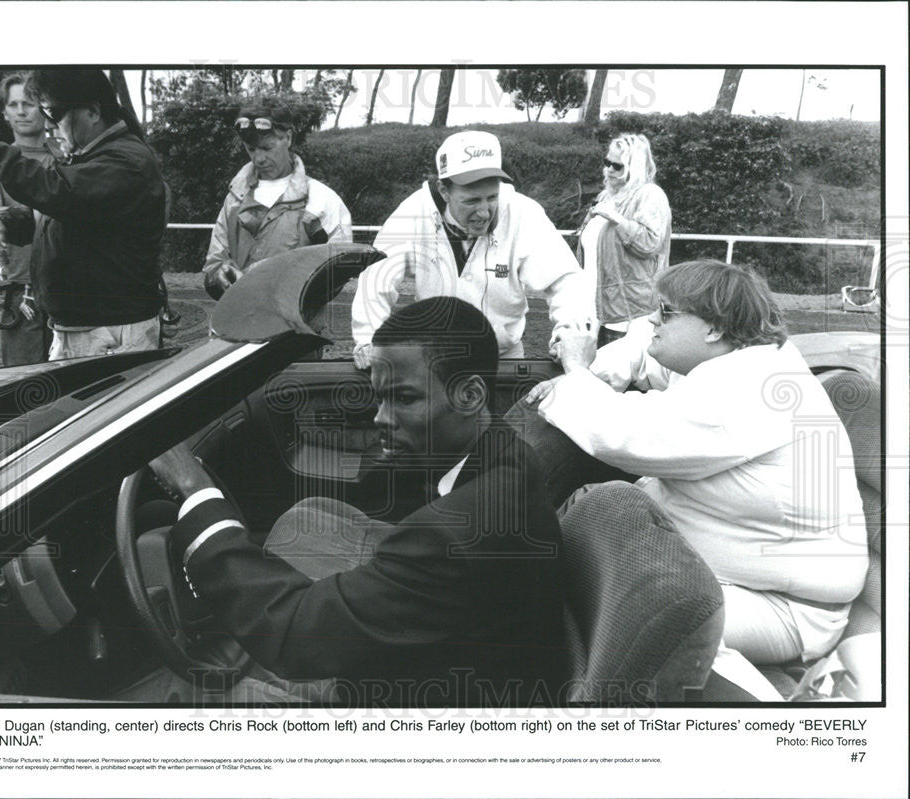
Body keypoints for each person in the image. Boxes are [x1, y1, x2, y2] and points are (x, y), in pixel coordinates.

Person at [149, 297, 566, 706]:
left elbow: (294, 635)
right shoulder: (504, 454)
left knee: (176, 694)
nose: (381, 417)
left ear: (470, 396)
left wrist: (194, 489)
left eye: (404, 398)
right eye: (380, 397)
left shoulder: (455, 532)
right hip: (441, 667)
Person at [524, 259, 868, 698]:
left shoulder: (750, 391)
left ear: (713, 329)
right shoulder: (743, 359)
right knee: (591, 574)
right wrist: (599, 370)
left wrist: (576, 369)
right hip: (745, 580)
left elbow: (624, 434)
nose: (651, 320)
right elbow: (647, 352)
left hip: (784, 609)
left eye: (665, 312)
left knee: (657, 625)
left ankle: (776, 725)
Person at [0, 69, 167, 360]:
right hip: (89, 330)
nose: (49, 125)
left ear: (93, 111)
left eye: (52, 112)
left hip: (110, 333)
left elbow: (58, 191)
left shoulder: (124, 161)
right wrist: (9, 224)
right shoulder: (93, 158)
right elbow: (70, 217)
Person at [351, 130, 594, 368]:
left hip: (503, 357)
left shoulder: (523, 212)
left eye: (491, 197)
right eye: (471, 200)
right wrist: (368, 337)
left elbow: (566, 280)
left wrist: (570, 333)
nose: (484, 211)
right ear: (444, 190)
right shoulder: (413, 212)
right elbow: (377, 276)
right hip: (436, 360)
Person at [202, 101, 352, 300]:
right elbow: (214, 263)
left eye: (266, 148)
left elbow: (339, 271)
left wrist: (282, 277)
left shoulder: (321, 200)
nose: (258, 159)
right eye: (251, 149)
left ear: (288, 138)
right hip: (237, 325)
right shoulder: (234, 199)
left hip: (298, 327)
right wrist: (219, 275)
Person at [0, 73, 53, 366]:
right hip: (20, 293)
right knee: (25, 386)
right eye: (13, 104)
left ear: (45, 108)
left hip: (72, 290)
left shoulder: (68, 158)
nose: (21, 111)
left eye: (30, 103)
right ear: (4, 112)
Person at [576, 133, 671, 347]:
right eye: (607, 162)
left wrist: (617, 219)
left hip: (627, 312)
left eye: (616, 166)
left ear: (634, 167)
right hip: (593, 308)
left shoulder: (650, 194)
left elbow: (649, 243)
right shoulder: (605, 196)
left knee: (616, 375)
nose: (608, 169)